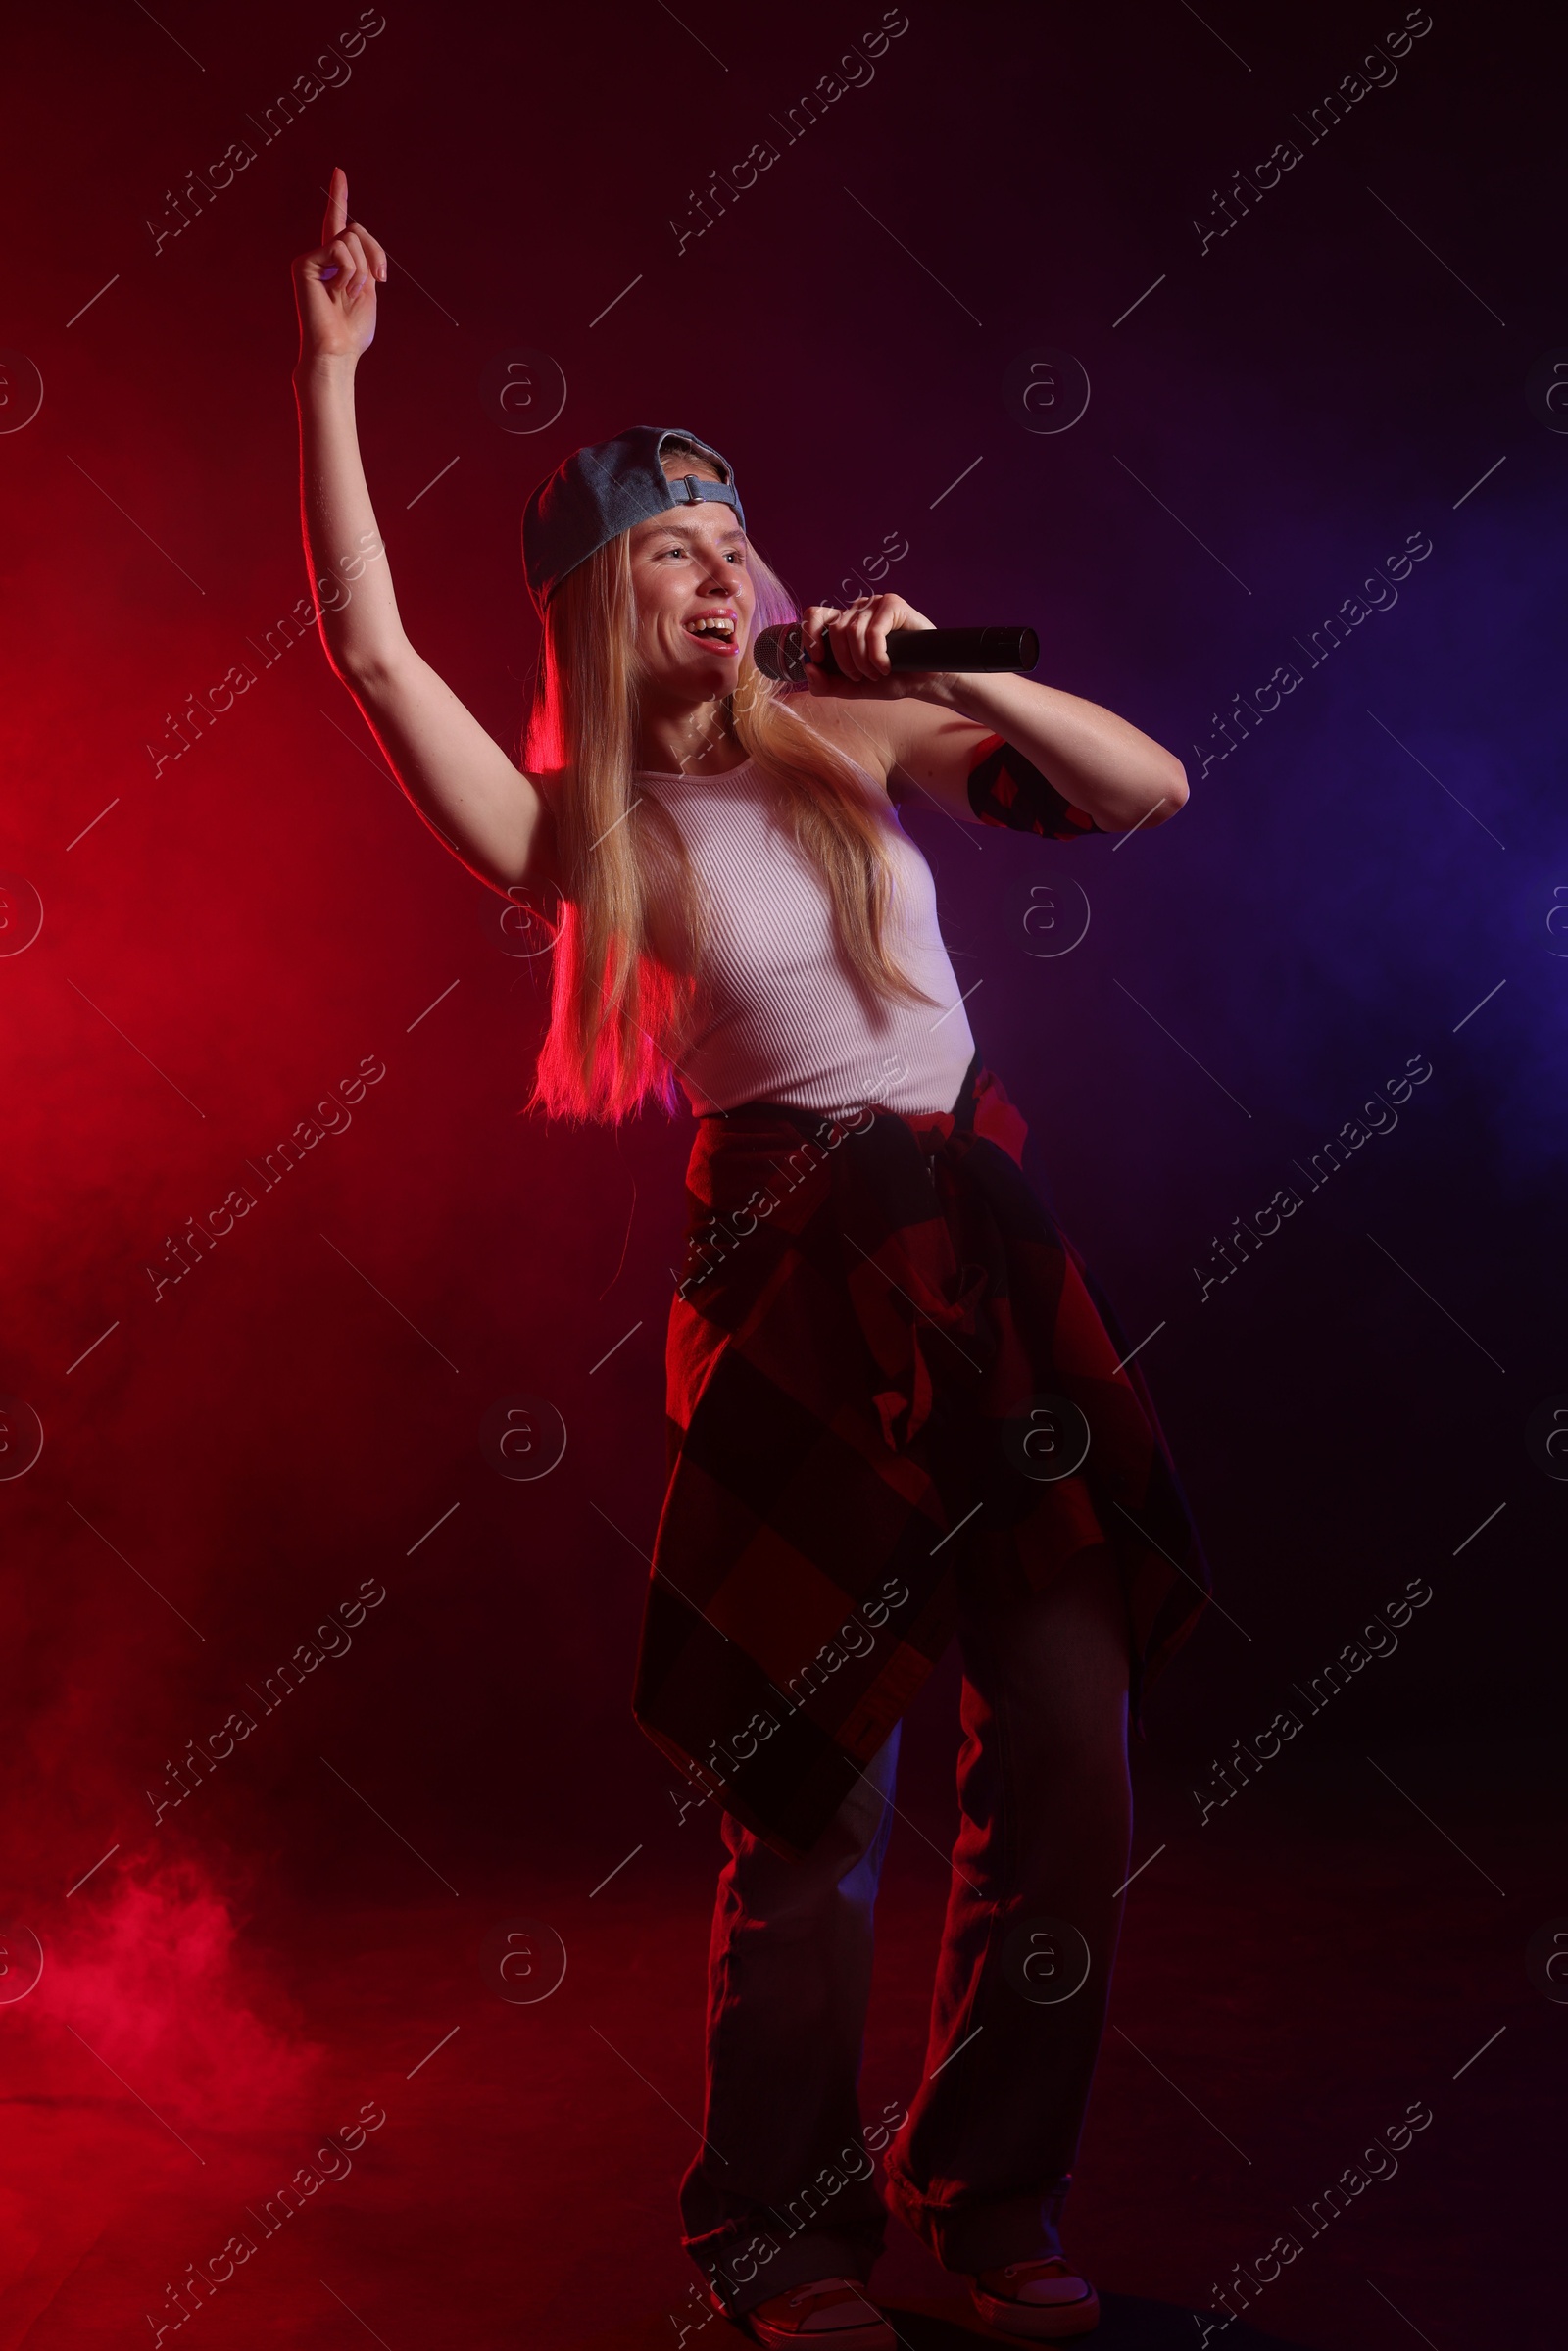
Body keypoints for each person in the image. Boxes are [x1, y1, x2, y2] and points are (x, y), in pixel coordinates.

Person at [292, 170, 1210, 2348]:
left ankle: (989, 2206)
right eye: (669, 547)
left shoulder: (858, 738)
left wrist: (948, 656)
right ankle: (772, 2241)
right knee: (806, 1797)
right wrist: (331, 372)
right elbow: (368, 649)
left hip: (983, 1240)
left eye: (731, 532)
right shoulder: (580, 831)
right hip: (792, 1270)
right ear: (608, 604)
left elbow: (1145, 787)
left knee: (1068, 1753)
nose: (719, 565)